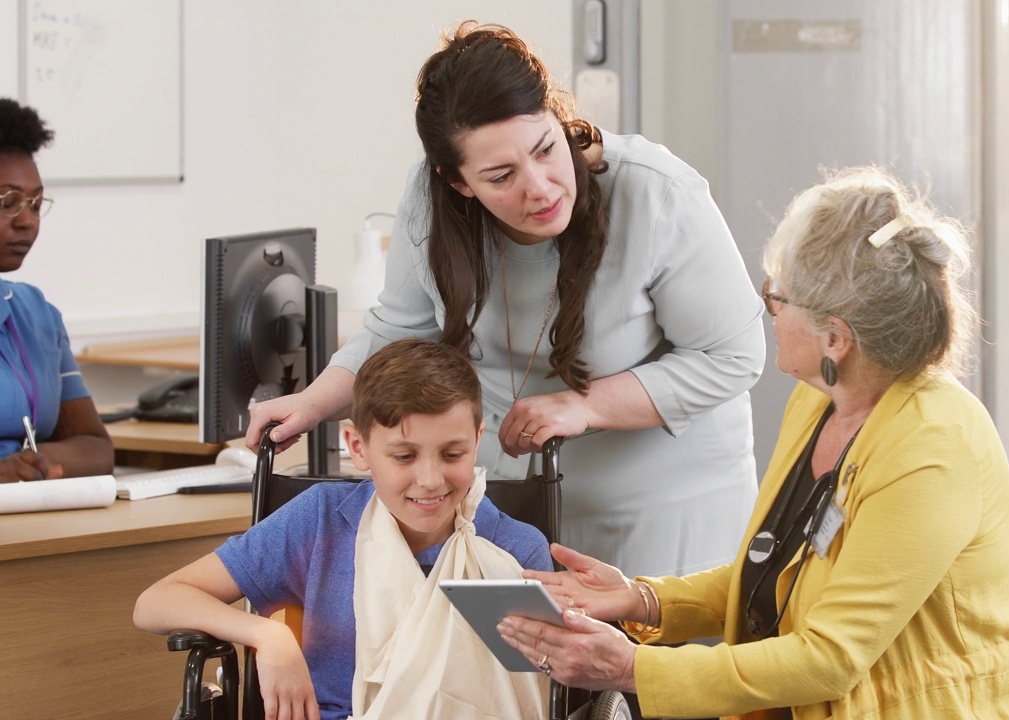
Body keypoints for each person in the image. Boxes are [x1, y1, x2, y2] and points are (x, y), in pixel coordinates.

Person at [496, 167, 1009, 719]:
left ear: (835, 338)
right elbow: (773, 575)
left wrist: (632, 670)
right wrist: (641, 600)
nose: (767, 309)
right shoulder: (821, 401)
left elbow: (829, 658)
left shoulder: (933, 451)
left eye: (779, 296)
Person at [245, 22, 764, 578]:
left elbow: (732, 357)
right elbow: (399, 329)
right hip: (506, 509)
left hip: (662, 513)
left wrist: (584, 405)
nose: (539, 187)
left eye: (546, 149)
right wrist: (313, 402)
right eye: (500, 176)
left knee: (645, 662)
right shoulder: (430, 204)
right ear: (457, 181)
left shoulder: (657, 192)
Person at [135, 338, 554, 720]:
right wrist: (266, 634)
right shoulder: (321, 521)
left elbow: (531, 693)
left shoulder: (512, 550)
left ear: (477, 441)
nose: (429, 479)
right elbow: (156, 603)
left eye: (452, 453)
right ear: (358, 447)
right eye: (404, 457)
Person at [0, 98, 113, 482]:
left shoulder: (36, 314)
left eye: (34, 203)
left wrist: (33, 462)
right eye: (9, 202)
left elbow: (95, 447)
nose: (27, 221)